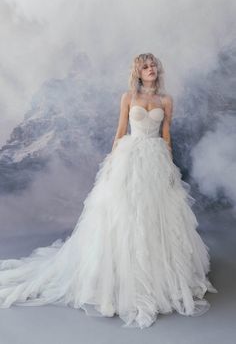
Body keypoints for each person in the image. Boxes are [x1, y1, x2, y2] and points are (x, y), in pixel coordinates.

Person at [0, 53, 217, 329]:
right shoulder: (128, 97)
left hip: (155, 158)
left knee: (156, 215)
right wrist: (113, 164)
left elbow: (166, 134)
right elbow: (119, 132)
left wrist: (170, 167)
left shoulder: (166, 100)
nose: (151, 69)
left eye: (153, 65)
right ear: (138, 73)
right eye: (145, 67)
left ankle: (157, 275)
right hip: (130, 156)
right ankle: (120, 278)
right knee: (124, 215)